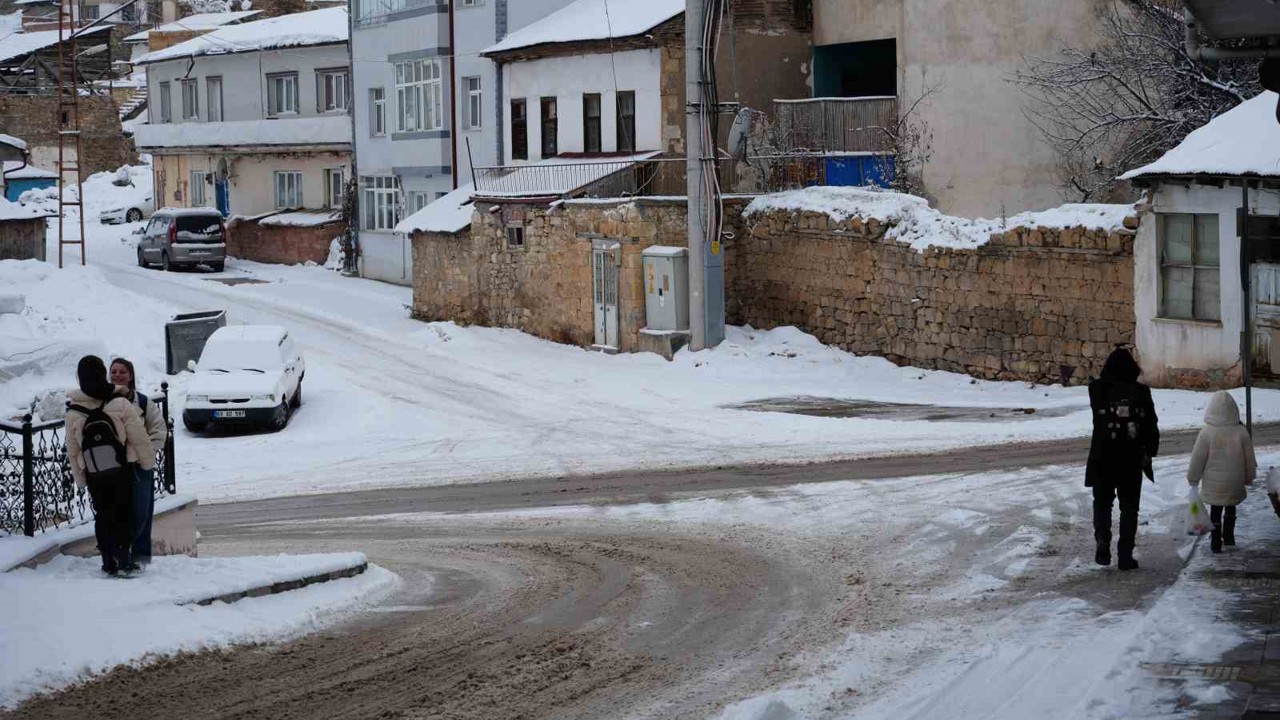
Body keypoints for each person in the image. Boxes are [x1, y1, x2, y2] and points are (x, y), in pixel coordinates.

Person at [65, 355, 155, 576]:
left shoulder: (74, 410)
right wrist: (147, 463)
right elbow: (139, 437)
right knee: (122, 511)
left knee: (103, 513)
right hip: (120, 468)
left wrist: (80, 478)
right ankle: (123, 559)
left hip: (94, 471)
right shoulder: (120, 402)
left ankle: (107, 561)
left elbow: (72, 449)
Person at [1086, 347, 1160, 571]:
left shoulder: (1096, 390)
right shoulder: (1141, 392)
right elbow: (1151, 425)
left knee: (1102, 504)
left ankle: (1102, 539)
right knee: (1129, 509)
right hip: (1131, 458)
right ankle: (1125, 555)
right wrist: (1150, 451)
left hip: (1102, 457)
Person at [110, 357, 166, 565]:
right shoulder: (103, 401)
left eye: (122, 371)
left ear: (131, 375)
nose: (117, 375)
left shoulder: (143, 402)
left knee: (142, 510)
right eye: (113, 371)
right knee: (117, 512)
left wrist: (143, 451)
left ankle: (141, 555)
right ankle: (118, 554)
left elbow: (159, 430)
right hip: (112, 466)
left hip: (139, 465)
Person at [1187, 391, 1256, 553]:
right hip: (1234, 482)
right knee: (1231, 507)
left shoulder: (1207, 432)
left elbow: (1198, 458)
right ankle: (1229, 536)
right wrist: (1249, 477)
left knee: (1216, 511)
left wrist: (1193, 478)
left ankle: (1215, 541)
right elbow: (1249, 459)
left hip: (1214, 484)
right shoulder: (1241, 432)